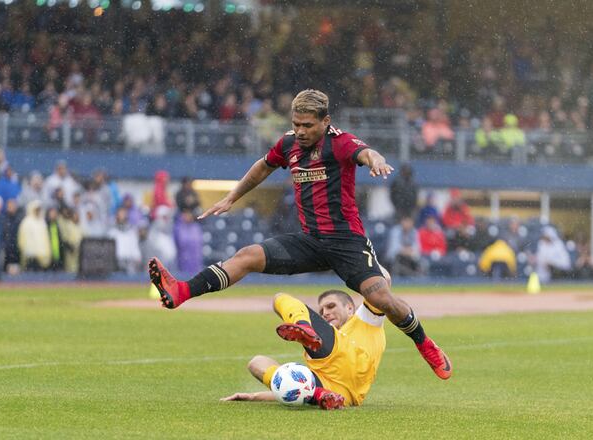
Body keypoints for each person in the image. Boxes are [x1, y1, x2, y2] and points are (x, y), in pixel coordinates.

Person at [149, 89, 451, 380]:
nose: (301, 131)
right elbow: (263, 167)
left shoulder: (341, 143)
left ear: (325, 121)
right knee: (247, 256)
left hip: (347, 242)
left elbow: (366, 152)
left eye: (308, 125)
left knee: (382, 299)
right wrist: (232, 197)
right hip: (310, 240)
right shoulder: (288, 144)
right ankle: (181, 291)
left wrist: (377, 161)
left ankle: (426, 345)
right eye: (296, 124)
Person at [221, 289, 386, 410]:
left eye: (331, 306)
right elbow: (295, 388)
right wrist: (253, 396)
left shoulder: (367, 319)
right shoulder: (322, 339)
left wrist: (366, 266)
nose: (325, 313)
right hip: (337, 393)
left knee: (279, 297)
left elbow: (382, 281)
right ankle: (319, 396)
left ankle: (303, 325)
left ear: (350, 308)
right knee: (256, 363)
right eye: (322, 311)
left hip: (342, 352)